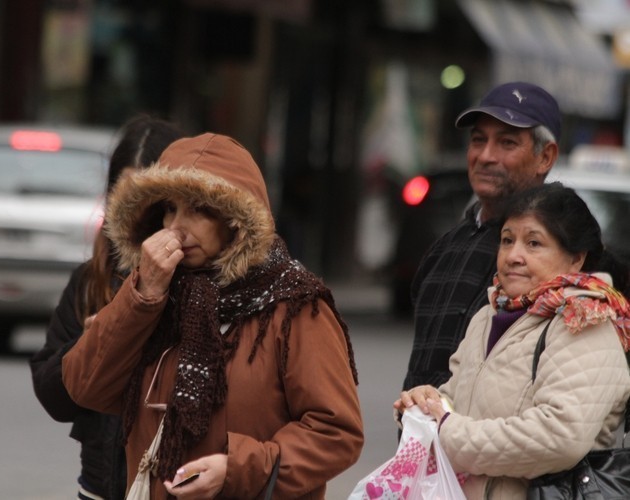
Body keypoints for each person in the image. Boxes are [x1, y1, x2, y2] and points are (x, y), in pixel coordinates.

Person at [61, 132, 363, 499]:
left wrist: (237, 469)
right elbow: (85, 387)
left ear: (235, 221)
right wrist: (142, 296)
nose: (175, 227)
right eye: (169, 209)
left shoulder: (296, 305)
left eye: (198, 210)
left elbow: (336, 432)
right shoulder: (157, 293)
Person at [394, 182, 630, 498]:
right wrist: (425, 404)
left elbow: (560, 436)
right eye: (507, 240)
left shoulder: (585, 320)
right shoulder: (490, 314)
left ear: (576, 259)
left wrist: (448, 433)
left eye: (533, 243)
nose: (514, 256)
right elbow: (458, 401)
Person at [29, 114, 185, 500]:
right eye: (126, 195)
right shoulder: (91, 279)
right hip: (99, 487)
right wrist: (93, 342)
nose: (137, 212)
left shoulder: (203, 281)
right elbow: (54, 397)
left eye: (151, 199)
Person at [402, 81, 561, 391]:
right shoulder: (446, 248)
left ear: (545, 157)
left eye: (507, 143)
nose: (486, 156)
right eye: (478, 140)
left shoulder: (561, 257)